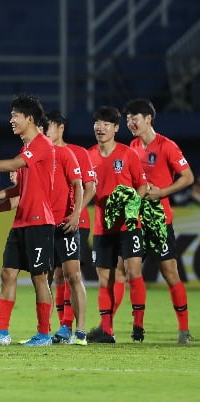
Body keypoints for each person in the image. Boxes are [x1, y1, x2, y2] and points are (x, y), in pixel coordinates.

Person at [0, 94, 55, 347]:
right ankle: (2, 332)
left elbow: (14, 164)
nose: (11, 120)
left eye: (15, 115)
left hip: (39, 222)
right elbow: (19, 189)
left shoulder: (41, 144)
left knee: (39, 278)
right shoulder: (26, 149)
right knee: (7, 273)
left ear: (30, 119)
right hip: (21, 221)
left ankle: (44, 334)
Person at [125, 98, 194, 344]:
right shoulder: (132, 147)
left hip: (160, 221)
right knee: (131, 271)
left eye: (135, 118)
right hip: (136, 221)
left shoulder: (167, 146)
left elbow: (188, 177)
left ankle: (184, 330)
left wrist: (162, 192)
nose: (131, 123)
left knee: (170, 273)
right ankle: (137, 328)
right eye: (128, 119)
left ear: (148, 119)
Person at [86, 106, 148, 343]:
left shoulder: (127, 154)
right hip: (103, 226)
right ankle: (107, 330)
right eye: (97, 123)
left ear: (116, 128)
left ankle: (138, 325)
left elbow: (142, 185)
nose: (100, 127)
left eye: (106, 124)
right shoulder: (88, 155)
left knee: (133, 272)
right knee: (105, 279)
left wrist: (133, 204)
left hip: (129, 225)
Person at [42, 111, 93, 346]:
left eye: (48, 127)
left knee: (72, 274)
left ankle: (78, 330)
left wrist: (76, 213)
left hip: (75, 221)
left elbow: (89, 187)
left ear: (60, 128)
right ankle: (63, 326)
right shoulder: (44, 153)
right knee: (55, 275)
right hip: (49, 222)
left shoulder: (78, 153)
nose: (44, 132)